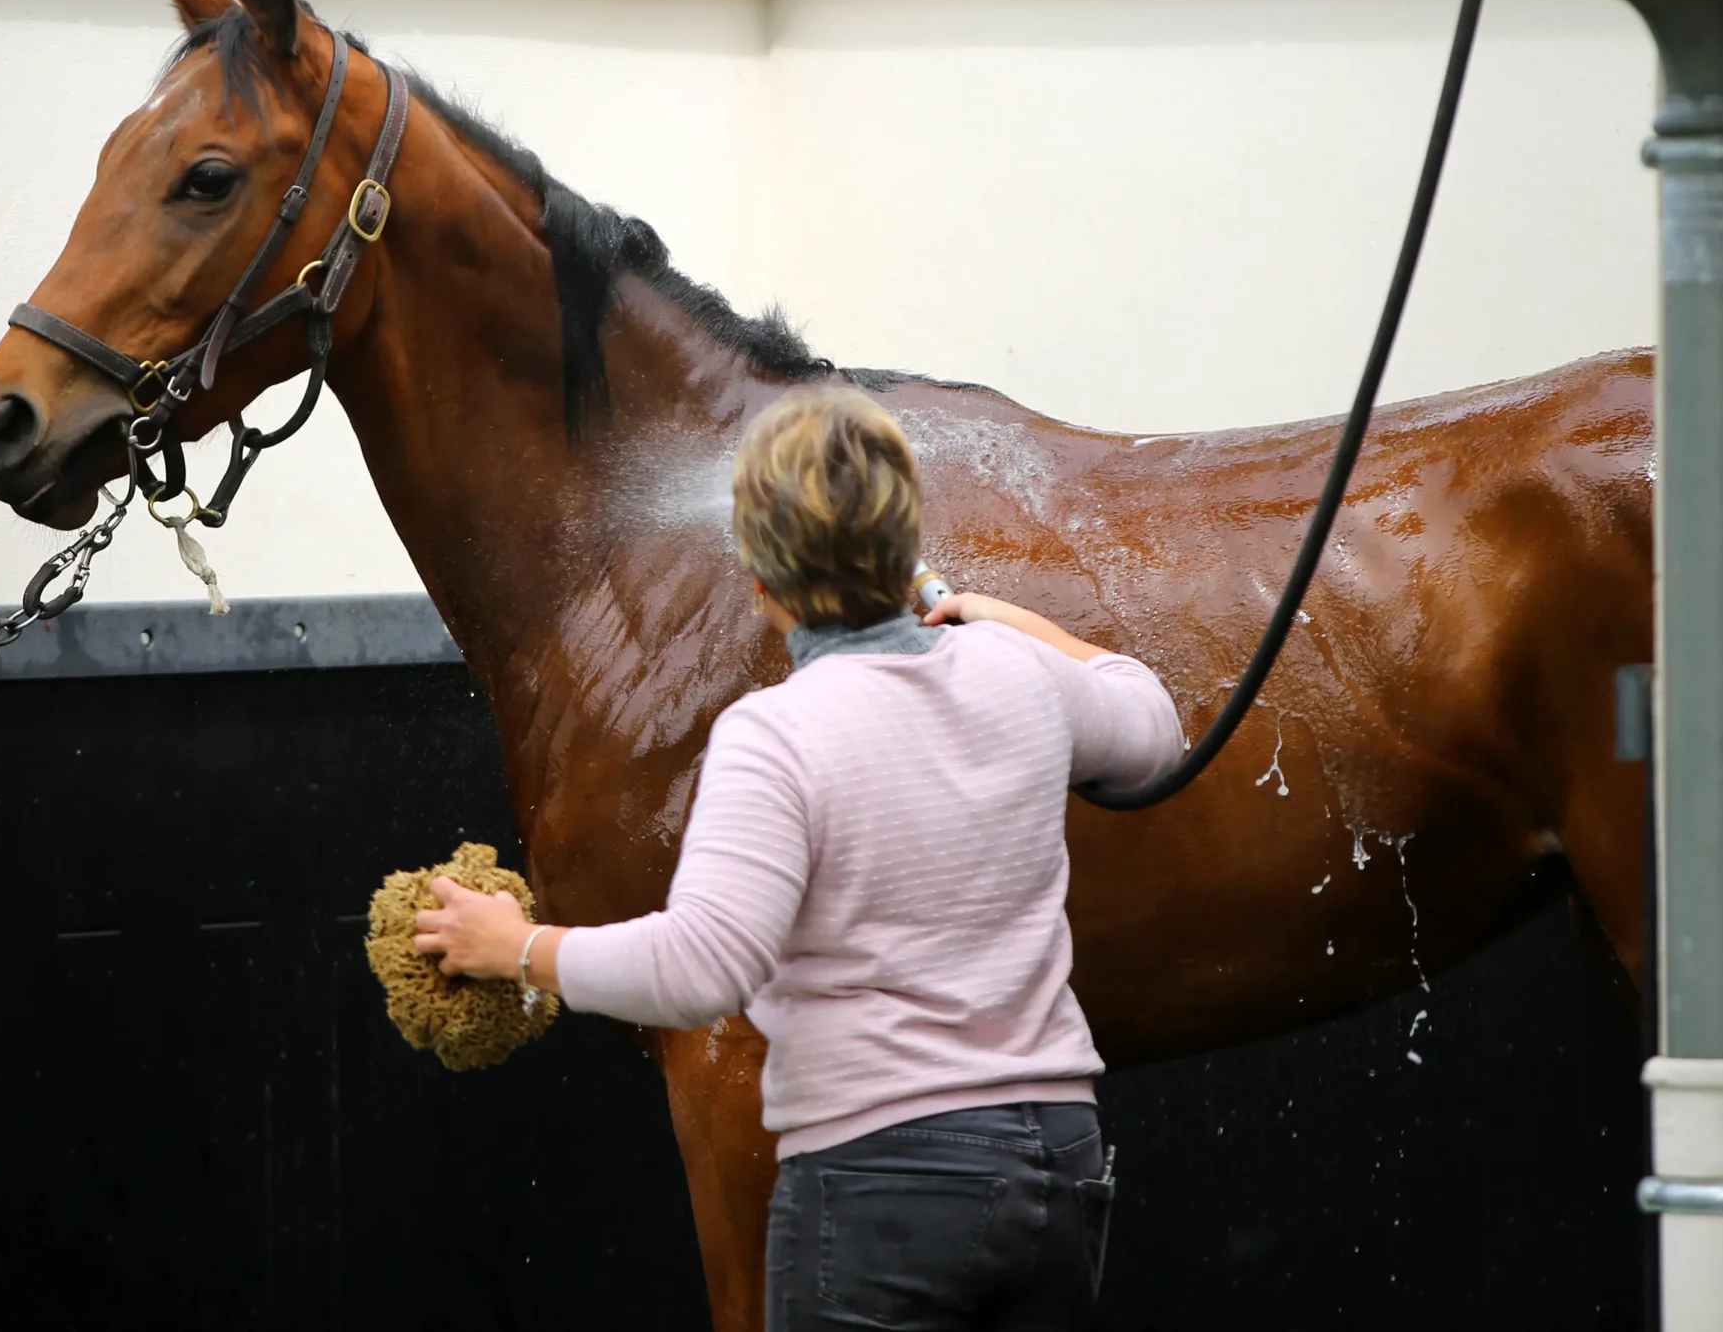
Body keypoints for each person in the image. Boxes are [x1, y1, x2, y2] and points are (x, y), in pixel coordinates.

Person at [414, 387, 1185, 1330]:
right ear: (909, 554)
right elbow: (1153, 725)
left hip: (883, 1188)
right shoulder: (1014, 671)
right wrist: (983, 611)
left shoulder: (773, 734)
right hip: (1057, 1172)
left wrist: (517, 946)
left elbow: (701, 970)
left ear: (760, 587)